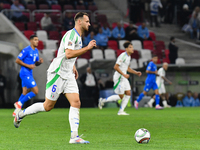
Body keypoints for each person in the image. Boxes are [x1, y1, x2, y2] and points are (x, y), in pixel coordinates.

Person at [14, 12, 97, 144]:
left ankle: (74, 137)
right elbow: (68, 53)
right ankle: (20, 114)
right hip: (57, 73)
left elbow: (66, 53)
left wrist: (73, 66)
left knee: (76, 102)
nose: (89, 24)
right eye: (87, 21)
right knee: (47, 106)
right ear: (79, 22)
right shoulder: (71, 34)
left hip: (68, 73)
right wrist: (87, 48)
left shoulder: (78, 37)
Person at [98, 41, 142, 115]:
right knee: (120, 96)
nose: (132, 49)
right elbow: (116, 66)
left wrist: (135, 72)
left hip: (124, 77)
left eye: (132, 47)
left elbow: (126, 67)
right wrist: (123, 75)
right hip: (119, 77)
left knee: (128, 93)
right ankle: (103, 100)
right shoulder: (123, 56)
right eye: (130, 47)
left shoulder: (129, 57)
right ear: (126, 49)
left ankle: (121, 111)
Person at [12, 35, 43, 116]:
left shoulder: (36, 51)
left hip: (29, 73)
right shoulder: (26, 50)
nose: (37, 41)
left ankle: (16, 111)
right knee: (35, 91)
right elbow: (17, 60)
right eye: (35, 40)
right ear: (31, 41)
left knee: (25, 92)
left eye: (38, 40)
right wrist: (28, 66)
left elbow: (35, 63)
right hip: (25, 73)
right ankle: (19, 103)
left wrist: (39, 62)